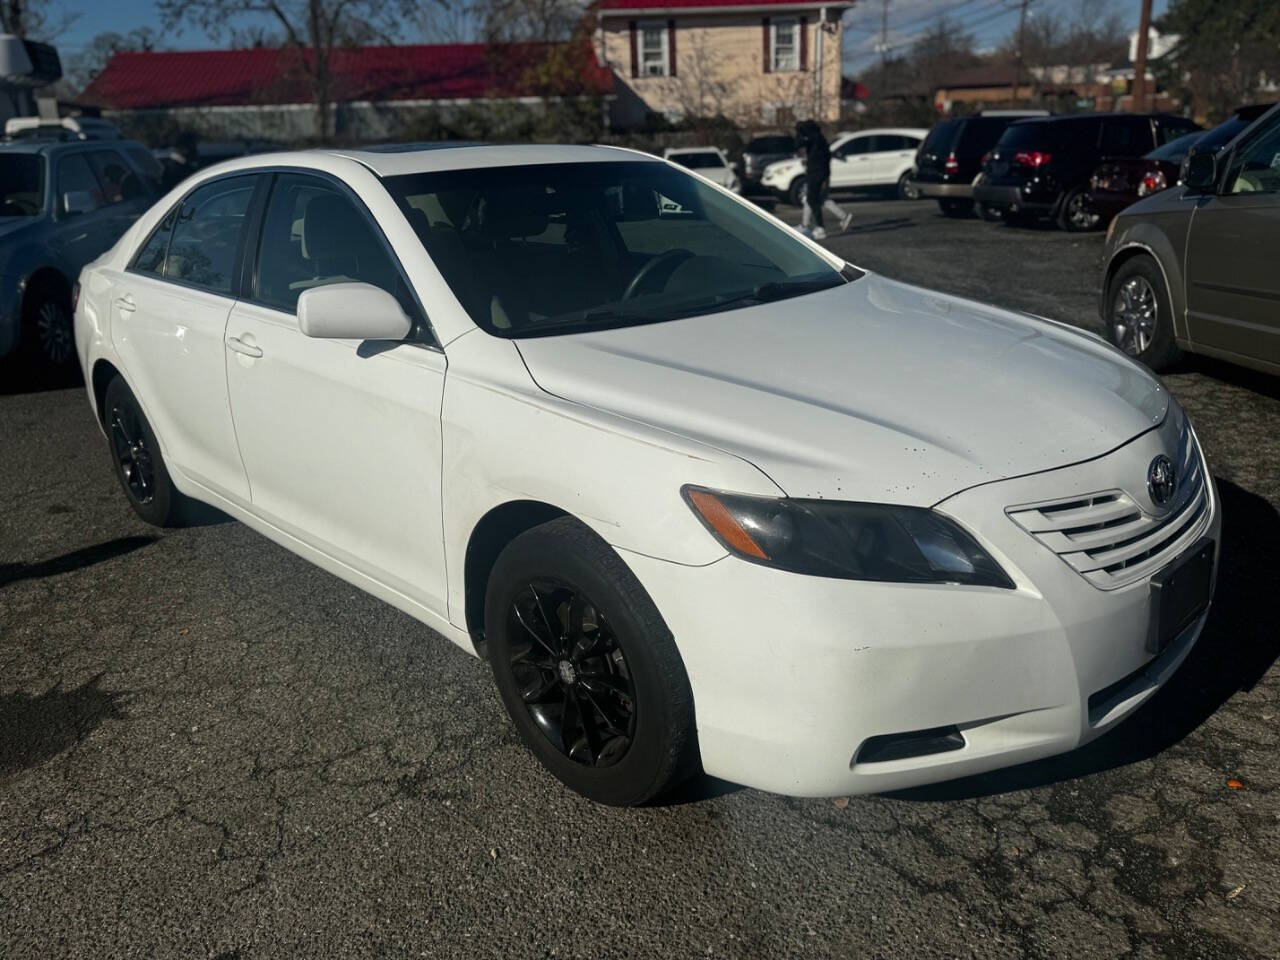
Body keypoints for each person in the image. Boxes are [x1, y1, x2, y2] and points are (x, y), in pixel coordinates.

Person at [794, 120, 852, 239]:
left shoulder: (814, 138)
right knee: (816, 199)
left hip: (817, 174)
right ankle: (807, 225)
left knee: (812, 199)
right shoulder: (819, 139)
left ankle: (819, 228)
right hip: (818, 173)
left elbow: (798, 144)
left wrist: (799, 132)